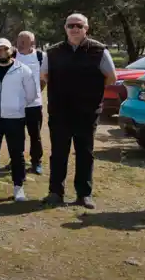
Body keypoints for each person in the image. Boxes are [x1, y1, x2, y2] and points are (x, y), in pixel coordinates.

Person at [41, 13, 116, 209]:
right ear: (65, 28)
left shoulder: (99, 51)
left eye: (79, 26)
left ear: (86, 28)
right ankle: (55, 192)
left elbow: (111, 77)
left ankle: (84, 194)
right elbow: (45, 76)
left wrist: (90, 93)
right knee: (58, 152)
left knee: (85, 153)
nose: (75, 29)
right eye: (71, 25)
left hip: (87, 111)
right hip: (60, 110)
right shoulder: (53, 52)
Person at [0, 39, 39, 201]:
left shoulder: (23, 70)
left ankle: (18, 187)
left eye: (5, 49)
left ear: (11, 50)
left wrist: (17, 106)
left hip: (15, 119)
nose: (1, 52)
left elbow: (31, 95)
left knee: (17, 154)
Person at [15, 30, 46, 175]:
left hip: (34, 104)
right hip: (15, 104)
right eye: (19, 40)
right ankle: (16, 160)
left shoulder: (41, 56)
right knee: (16, 134)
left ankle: (36, 162)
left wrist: (36, 92)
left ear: (32, 43)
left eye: (24, 41)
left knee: (35, 135)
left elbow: (44, 78)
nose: (20, 43)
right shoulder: (12, 55)